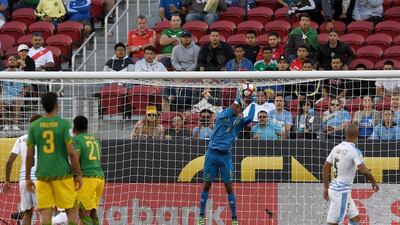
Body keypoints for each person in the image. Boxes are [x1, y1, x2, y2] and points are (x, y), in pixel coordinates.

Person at [197, 90, 256, 225]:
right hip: (212, 155)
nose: (237, 108)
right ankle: (201, 215)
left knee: (229, 186)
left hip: (225, 157)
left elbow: (251, 118)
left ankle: (234, 217)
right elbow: (233, 106)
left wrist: (252, 102)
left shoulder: (238, 122)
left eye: (239, 107)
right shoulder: (222, 115)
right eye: (236, 106)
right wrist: (239, 96)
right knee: (207, 184)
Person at [26, 92, 83, 225]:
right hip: (62, 174)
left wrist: (28, 177)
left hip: (43, 176)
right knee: (71, 210)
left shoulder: (34, 126)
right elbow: (72, 153)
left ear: (43, 106)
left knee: (46, 214)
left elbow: (29, 155)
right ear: (57, 105)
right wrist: (79, 174)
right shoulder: (63, 124)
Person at [322, 123, 379, 225]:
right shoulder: (354, 151)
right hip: (341, 191)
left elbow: (325, 168)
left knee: (355, 218)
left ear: (345, 134)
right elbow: (364, 171)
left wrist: (326, 188)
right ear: (358, 135)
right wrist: (374, 182)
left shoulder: (336, 148)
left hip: (334, 188)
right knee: (333, 223)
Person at [3, 114, 42, 225]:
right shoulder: (46, 140)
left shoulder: (21, 139)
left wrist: (7, 180)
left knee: (27, 213)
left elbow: (10, 161)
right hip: (39, 179)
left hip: (24, 179)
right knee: (44, 212)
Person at [72, 116, 104, 225]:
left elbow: (75, 157)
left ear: (74, 127)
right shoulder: (95, 140)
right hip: (99, 177)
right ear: (87, 127)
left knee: (83, 213)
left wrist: (74, 173)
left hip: (87, 179)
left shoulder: (77, 139)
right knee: (92, 213)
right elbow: (99, 159)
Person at [1, 55, 26, 131]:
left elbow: (28, 86)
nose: (12, 61)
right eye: (10, 60)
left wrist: (22, 94)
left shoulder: (22, 73)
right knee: (1, 101)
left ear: (16, 62)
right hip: (5, 96)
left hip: (17, 95)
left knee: (17, 100)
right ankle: (6, 125)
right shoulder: (2, 73)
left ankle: (15, 125)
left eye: (14, 60)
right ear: (7, 62)